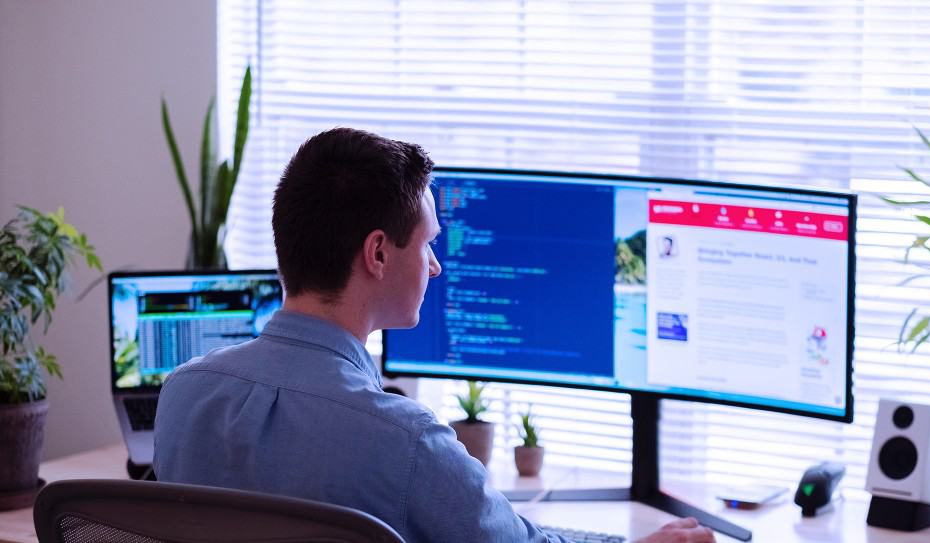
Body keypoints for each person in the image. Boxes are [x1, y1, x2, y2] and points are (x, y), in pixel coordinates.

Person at [153, 127, 715, 543]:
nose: (435, 266)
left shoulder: (183, 395)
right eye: (427, 245)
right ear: (377, 253)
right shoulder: (405, 441)